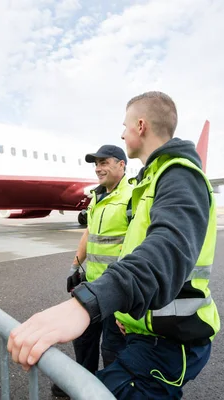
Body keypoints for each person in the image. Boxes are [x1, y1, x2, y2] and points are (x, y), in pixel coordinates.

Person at [8, 91, 220, 399]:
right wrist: (126, 314)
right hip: (143, 330)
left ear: (141, 125)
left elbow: (165, 254)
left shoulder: (179, 175)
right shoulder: (150, 181)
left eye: (125, 126)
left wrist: (89, 303)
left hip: (173, 339)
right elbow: (131, 251)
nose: (122, 133)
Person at [51, 145, 131, 397]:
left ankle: (108, 392)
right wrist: (75, 264)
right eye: (95, 163)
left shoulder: (134, 196)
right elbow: (90, 232)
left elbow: (139, 244)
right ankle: (80, 384)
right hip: (92, 285)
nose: (98, 168)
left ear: (121, 165)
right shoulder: (97, 196)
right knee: (83, 339)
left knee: (112, 348)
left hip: (116, 290)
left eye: (104, 162)